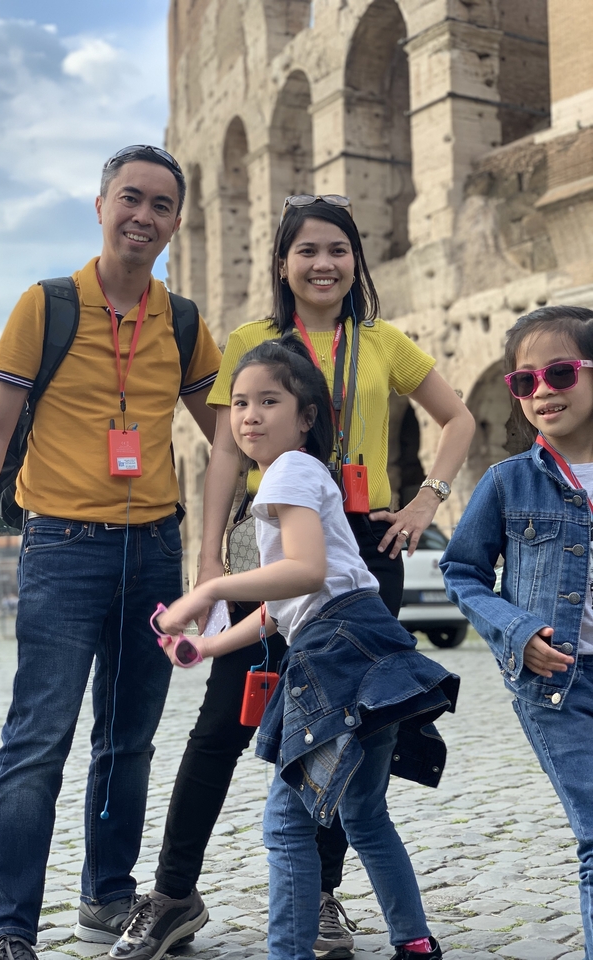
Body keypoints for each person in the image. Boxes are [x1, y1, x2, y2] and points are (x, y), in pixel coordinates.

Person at [127, 196, 474, 960]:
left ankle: (321, 898)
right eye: (307, 250)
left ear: (357, 261)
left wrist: (427, 497)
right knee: (222, 722)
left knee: (341, 730)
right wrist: (213, 554)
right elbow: (223, 452)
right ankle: (173, 893)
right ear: (282, 262)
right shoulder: (253, 341)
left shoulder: (381, 341)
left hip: (363, 552)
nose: (324, 264)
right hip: (269, 539)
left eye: (339, 250)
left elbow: (461, 420)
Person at [0, 145, 221, 960]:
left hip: (155, 551)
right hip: (62, 546)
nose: (143, 216)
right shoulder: (47, 304)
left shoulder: (183, 322)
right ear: (99, 205)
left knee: (129, 738)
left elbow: (227, 437)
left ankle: (107, 895)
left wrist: (239, 538)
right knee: (39, 737)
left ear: (176, 223)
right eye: (129, 198)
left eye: (161, 205)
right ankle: (10, 930)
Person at [442, 305, 593, 959]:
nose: (543, 391)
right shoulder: (508, 482)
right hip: (559, 682)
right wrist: (517, 629)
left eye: (559, 371)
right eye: (524, 382)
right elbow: (461, 572)